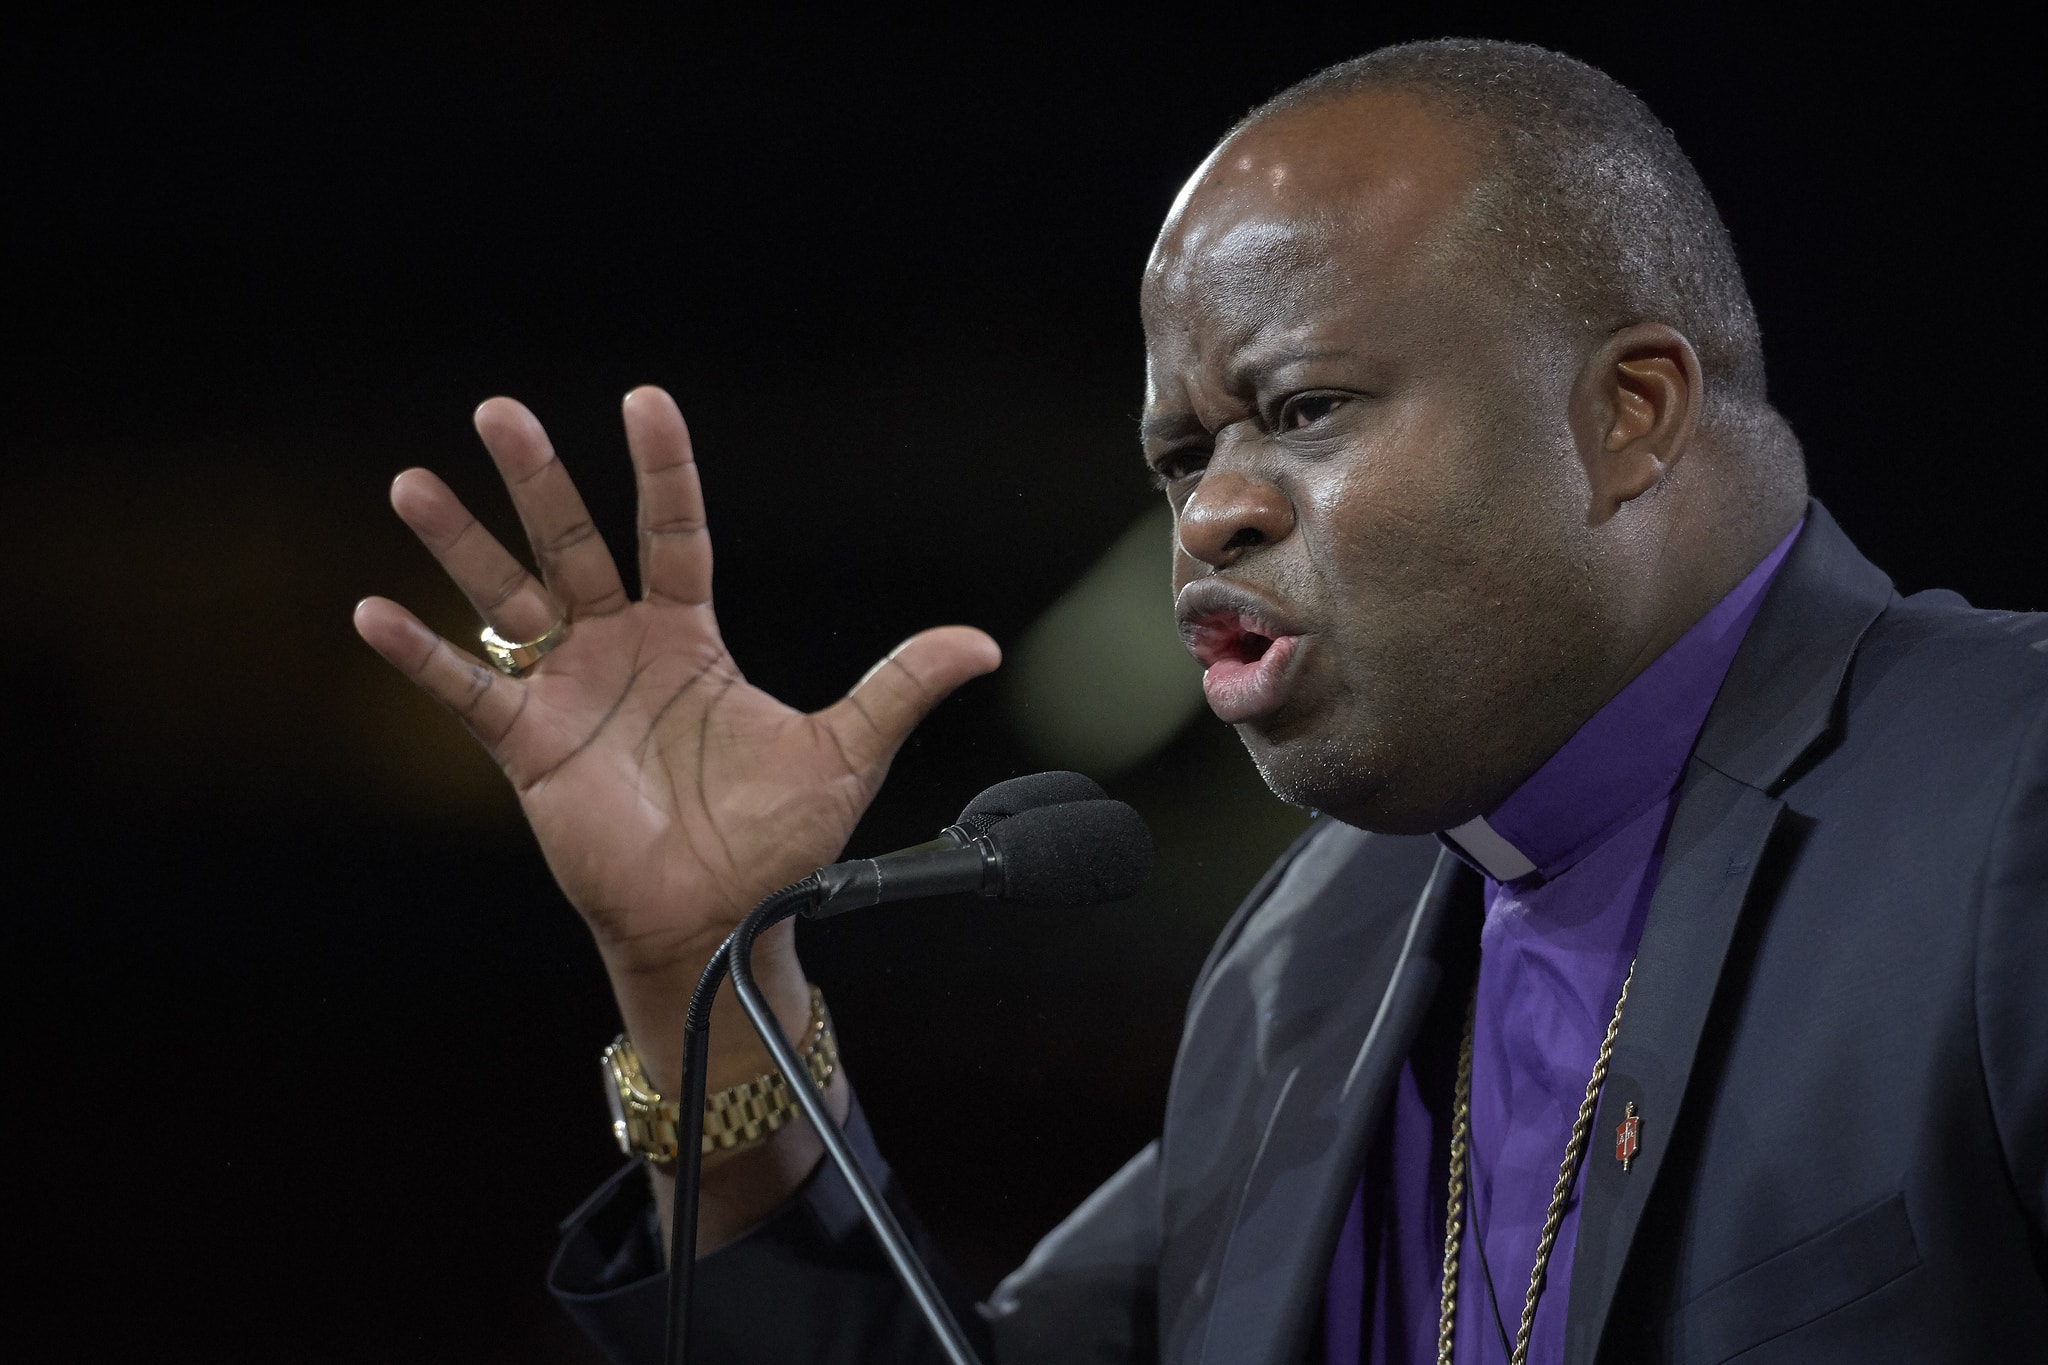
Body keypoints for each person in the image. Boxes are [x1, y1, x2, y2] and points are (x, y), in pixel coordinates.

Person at [353, 39, 2047, 1365]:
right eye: (1183, 453)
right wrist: (701, 979)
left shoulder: (2007, 799)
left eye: (1299, 407)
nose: (1210, 510)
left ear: (1632, 414)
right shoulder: (1307, 959)